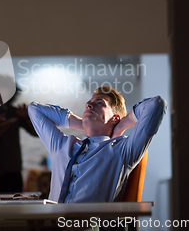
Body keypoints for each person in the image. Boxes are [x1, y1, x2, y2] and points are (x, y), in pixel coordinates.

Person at [28, 86, 166, 203]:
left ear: (115, 118)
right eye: (89, 103)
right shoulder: (61, 145)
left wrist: (120, 126)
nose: (89, 105)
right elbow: (35, 109)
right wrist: (84, 124)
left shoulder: (122, 150)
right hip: (51, 224)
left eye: (100, 102)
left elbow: (156, 104)